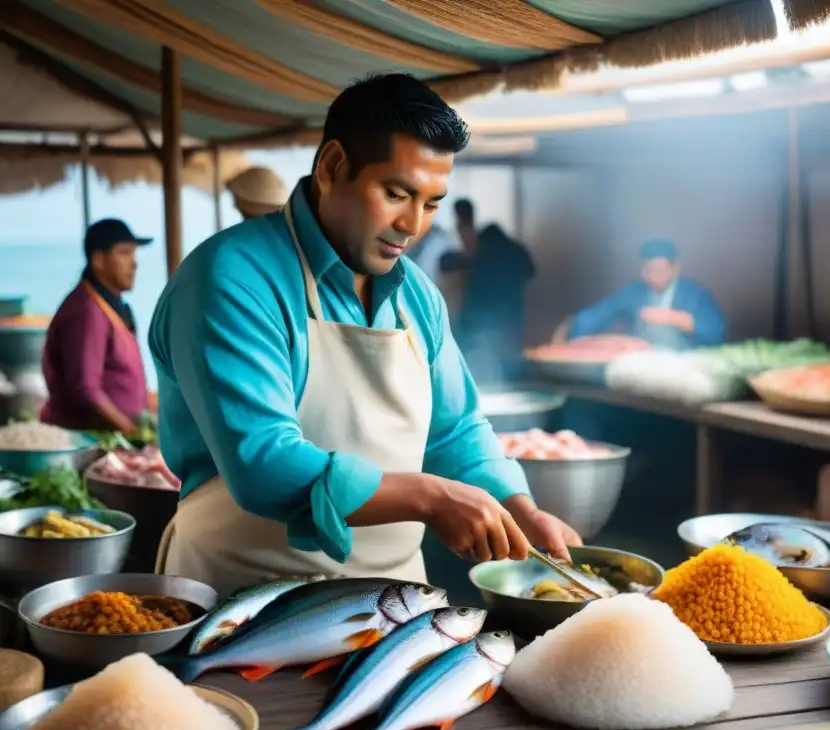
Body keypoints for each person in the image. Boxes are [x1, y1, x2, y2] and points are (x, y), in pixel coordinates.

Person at [148, 74, 580, 595]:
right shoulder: (231, 278)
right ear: (332, 167)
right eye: (396, 193)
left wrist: (521, 510)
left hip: (393, 600)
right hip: (239, 593)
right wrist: (431, 499)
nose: (413, 224)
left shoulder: (417, 295)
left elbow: (455, 430)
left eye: (432, 202)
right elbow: (263, 462)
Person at [40, 219, 150, 433]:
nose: (135, 263)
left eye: (134, 253)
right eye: (124, 253)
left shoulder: (112, 306)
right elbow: (86, 391)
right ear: (98, 260)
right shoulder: (86, 311)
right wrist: (134, 432)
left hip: (120, 438)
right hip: (93, 441)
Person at [556, 238, 725, 350]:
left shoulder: (693, 294)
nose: (653, 276)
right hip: (641, 366)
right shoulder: (634, 292)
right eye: (649, 270)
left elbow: (716, 332)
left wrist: (676, 318)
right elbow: (602, 313)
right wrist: (572, 326)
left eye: (660, 270)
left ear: (675, 269)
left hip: (683, 367)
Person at [441, 199, 535, 384]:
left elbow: (447, 262)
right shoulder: (514, 250)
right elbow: (531, 270)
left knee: (477, 368)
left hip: (479, 323)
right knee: (505, 370)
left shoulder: (481, 250)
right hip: (509, 322)